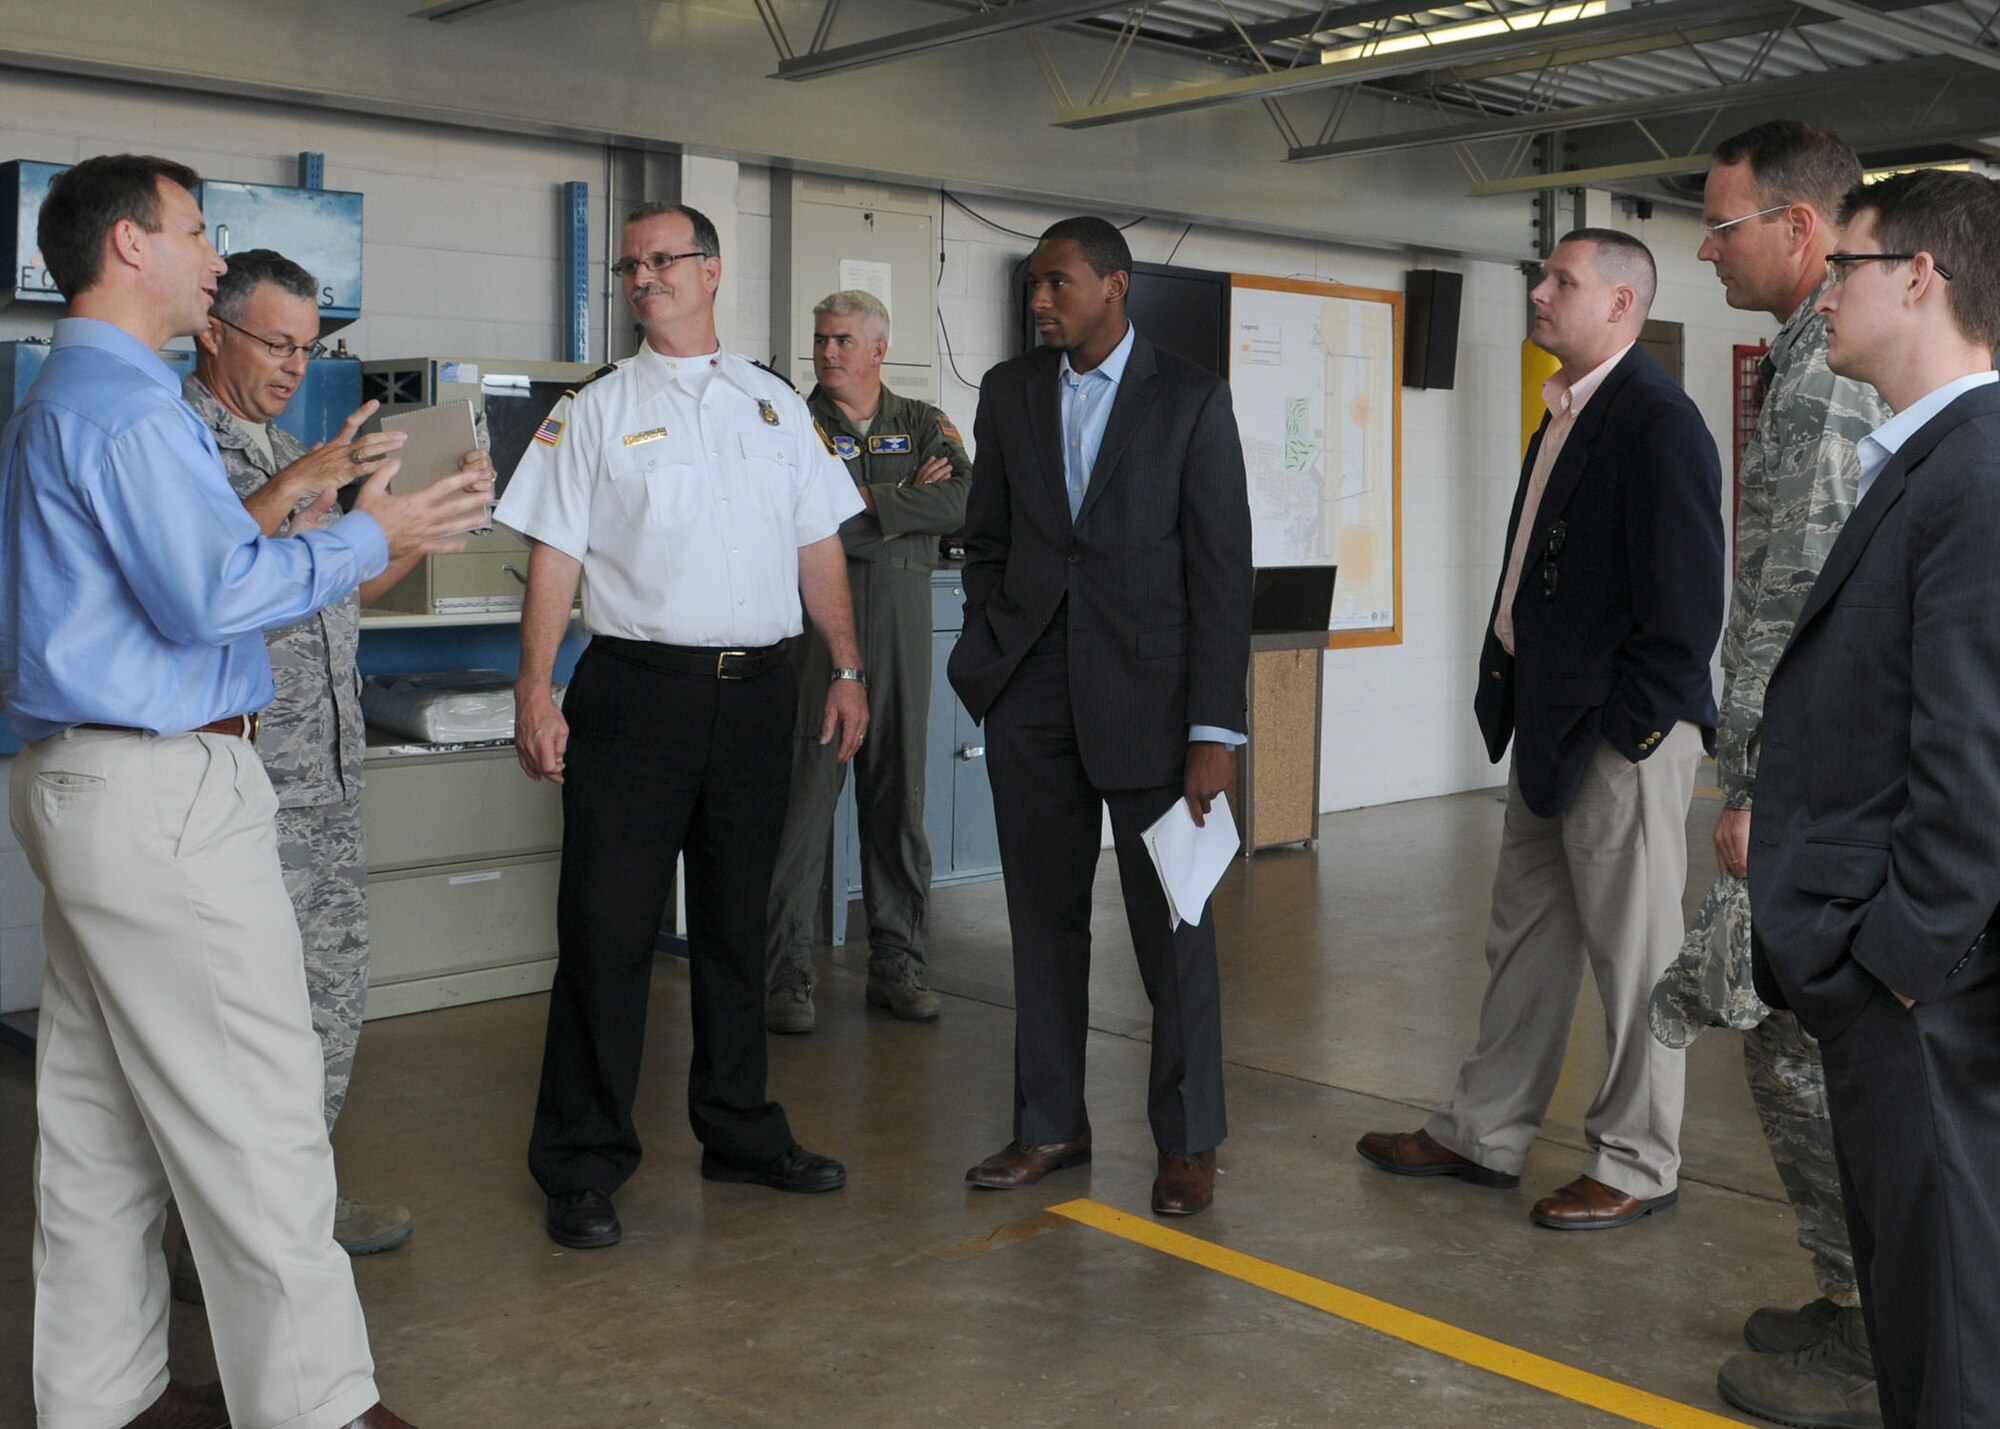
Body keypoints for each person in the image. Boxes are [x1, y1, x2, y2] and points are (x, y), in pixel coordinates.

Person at [0, 153, 491, 1429]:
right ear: (127, 248)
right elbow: (211, 596)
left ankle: (102, 1396)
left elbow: (206, 560)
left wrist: (328, 507)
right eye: (196, 231)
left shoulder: (80, 392)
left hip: (85, 775)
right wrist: (379, 535)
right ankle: (318, 1408)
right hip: (164, 789)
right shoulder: (129, 407)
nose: (214, 257)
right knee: (265, 1124)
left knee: (99, 1127)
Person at [497, 201, 868, 1253]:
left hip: (762, 691)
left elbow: (817, 544)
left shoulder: (771, 406)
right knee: (606, 934)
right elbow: (556, 558)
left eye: (662, 261)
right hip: (635, 694)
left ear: (711, 269)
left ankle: (739, 1128)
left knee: (735, 928)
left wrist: (844, 666)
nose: (642, 278)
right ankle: (581, 1161)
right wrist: (535, 685)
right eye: (629, 266)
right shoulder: (598, 409)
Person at [1357, 229, 1725, 1231]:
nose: (1536, 292)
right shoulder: (1565, 415)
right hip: (1545, 724)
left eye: (1560, 280)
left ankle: (1638, 1159)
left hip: (1615, 740)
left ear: (1619, 304)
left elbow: (1686, 613)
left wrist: (1630, 732)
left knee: (1633, 957)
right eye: (1540, 275)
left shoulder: (1656, 424)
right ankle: (1484, 1129)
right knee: (1521, 939)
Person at [1750, 167, 2000, 1429]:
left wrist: (1892, 966)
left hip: (1921, 997)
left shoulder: (1972, 468)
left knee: (1946, 1320)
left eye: (1842, 267)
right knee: (1915, 1303)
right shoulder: (1931, 459)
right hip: (1898, 985)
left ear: (1918, 275)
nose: (1822, 297)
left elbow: (1974, 759)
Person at [186, 247, 496, 1261]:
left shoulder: (285, 445)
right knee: (231, 1028)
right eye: (276, 341)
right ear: (212, 329)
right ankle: (212, 1238)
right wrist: (304, 482)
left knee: (328, 1002)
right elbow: (201, 582)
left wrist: (418, 523)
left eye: (307, 347)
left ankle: (295, 1206)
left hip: (323, 778)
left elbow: (339, 591)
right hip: (234, 785)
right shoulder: (185, 446)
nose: (291, 363)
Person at [1648, 122, 1889, 1427]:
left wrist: (1758, 790)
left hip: (1809, 796)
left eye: (1723, 225)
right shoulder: (1819, 353)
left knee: (1802, 1054)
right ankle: (1859, 1299)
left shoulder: (1825, 374)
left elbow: (1803, 605)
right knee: (1790, 1047)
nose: (1707, 246)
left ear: (1801, 227)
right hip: (1810, 783)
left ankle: (1877, 1330)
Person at [947, 216, 1251, 1218]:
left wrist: (1215, 730)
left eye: (1057, 283)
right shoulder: (1008, 392)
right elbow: (984, 537)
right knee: (1040, 922)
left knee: (1174, 930)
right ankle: (1050, 1125)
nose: (1039, 301)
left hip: (1155, 706)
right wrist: (986, 654)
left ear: (1114, 286)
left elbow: (1219, 574)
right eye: (1034, 284)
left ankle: (1186, 1140)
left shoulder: (1192, 401)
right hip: (1030, 693)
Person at [764, 288, 970, 1034]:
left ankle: (898, 963)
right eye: (820, 339)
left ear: (879, 348)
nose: (827, 353)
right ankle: (787, 973)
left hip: (905, 622)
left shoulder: (920, 420)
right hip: (820, 628)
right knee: (804, 801)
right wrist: (903, 501)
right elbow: (792, 516)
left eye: (843, 340)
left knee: (898, 796)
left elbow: (965, 503)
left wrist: (864, 505)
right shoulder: (792, 420)